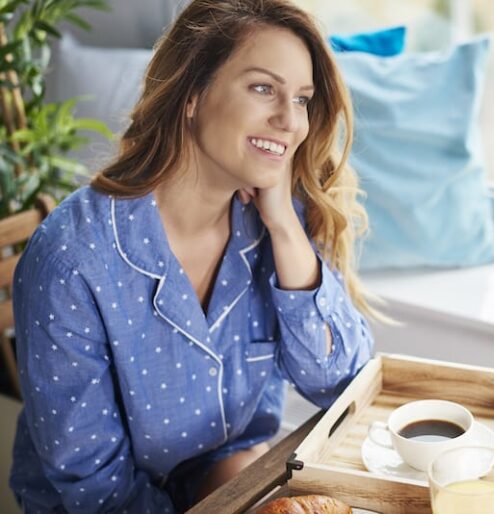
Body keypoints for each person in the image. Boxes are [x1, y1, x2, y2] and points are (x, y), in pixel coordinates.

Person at [9, 0, 377, 511]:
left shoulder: (273, 221)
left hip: (230, 476)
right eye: (263, 88)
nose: (289, 120)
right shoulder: (73, 259)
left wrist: (285, 228)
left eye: (302, 98)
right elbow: (94, 487)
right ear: (192, 94)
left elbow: (344, 383)